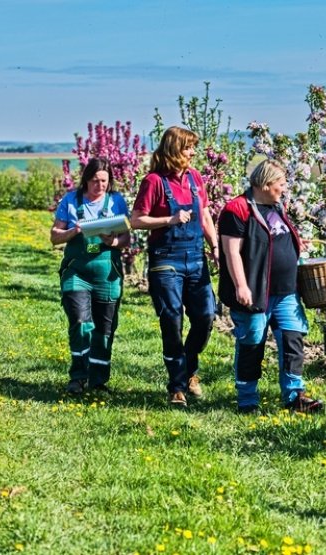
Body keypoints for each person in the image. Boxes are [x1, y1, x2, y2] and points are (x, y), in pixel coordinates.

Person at [218, 159, 323, 414]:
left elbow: (275, 238)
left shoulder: (277, 206)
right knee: (252, 342)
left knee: (292, 340)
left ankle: (294, 396)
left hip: (286, 291)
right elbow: (231, 252)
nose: (284, 188)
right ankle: (247, 400)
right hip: (255, 291)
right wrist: (241, 286)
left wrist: (297, 244)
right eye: (280, 184)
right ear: (265, 184)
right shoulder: (237, 209)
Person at [131, 126, 218, 408]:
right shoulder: (154, 181)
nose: (192, 153)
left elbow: (204, 213)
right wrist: (168, 220)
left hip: (195, 257)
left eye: (193, 148)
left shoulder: (195, 178)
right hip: (165, 259)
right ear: (173, 149)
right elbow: (136, 219)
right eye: (187, 148)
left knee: (205, 316)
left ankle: (189, 369)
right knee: (171, 319)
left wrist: (214, 246)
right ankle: (177, 386)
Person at [51, 157, 131, 394]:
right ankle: (78, 376)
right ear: (86, 180)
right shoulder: (70, 201)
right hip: (77, 271)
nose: (100, 185)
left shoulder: (116, 202)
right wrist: (73, 231)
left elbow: (126, 239)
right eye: (95, 180)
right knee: (79, 321)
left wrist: (114, 241)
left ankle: (98, 381)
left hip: (107, 273)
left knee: (105, 329)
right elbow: (54, 236)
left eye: (104, 181)